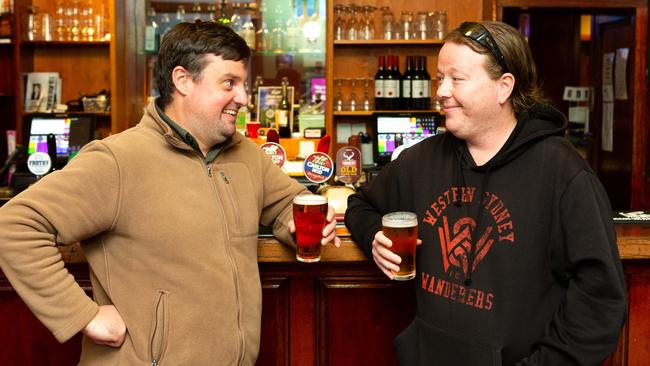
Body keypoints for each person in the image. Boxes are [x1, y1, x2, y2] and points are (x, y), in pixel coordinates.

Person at [0, 21, 339, 365]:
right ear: (183, 81)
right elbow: (13, 226)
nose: (243, 97)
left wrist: (299, 226)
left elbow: (286, 204)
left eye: (243, 84)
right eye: (229, 83)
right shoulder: (118, 160)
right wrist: (83, 315)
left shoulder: (246, 154)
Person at [345, 20, 626, 365]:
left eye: (457, 79)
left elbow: (600, 302)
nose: (441, 91)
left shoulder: (563, 173)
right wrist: (375, 236)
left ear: (503, 86)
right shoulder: (421, 159)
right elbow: (360, 204)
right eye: (439, 78)